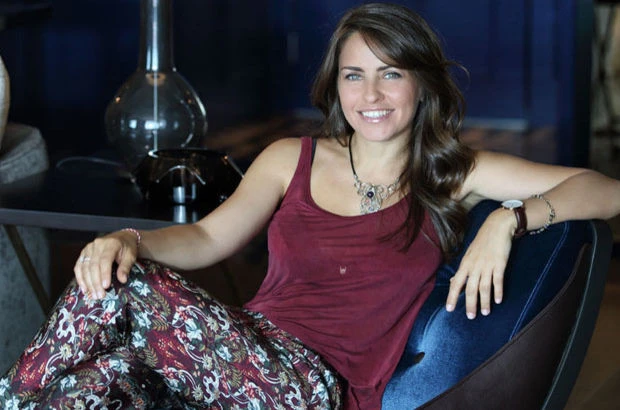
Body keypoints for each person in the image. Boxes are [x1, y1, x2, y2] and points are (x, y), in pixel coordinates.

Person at [2, 2, 620, 409]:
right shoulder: (289, 158)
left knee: (124, 285)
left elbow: (605, 190)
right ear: (336, 85)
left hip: (314, 389)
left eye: (391, 74)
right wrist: (127, 241)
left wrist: (510, 220)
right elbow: (209, 238)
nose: (371, 94)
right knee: (93, 377)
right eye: (354, 75)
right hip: (238, 362)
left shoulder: (452, 172)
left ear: (422, 84)